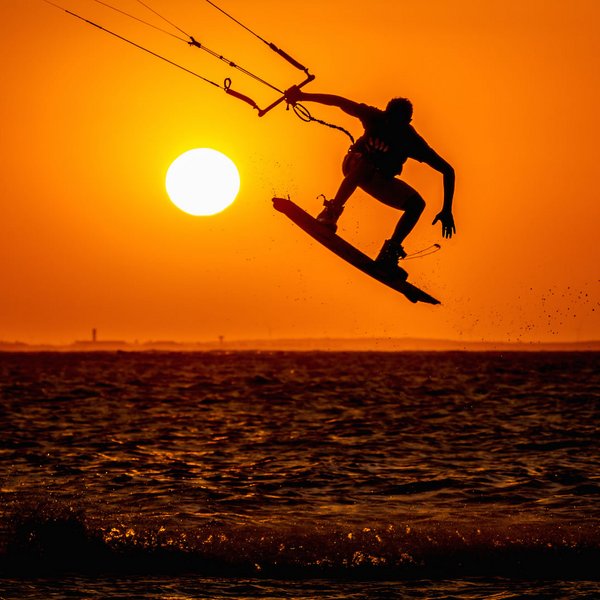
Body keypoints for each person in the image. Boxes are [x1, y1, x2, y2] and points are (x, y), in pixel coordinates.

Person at [284, 87, 455, 273]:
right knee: (367, 162)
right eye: (390, 119)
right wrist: (302, 96)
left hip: (379, 179)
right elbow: (339, 101)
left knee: (416, 204)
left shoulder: (411, 140)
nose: (391, 126)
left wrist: (447, 209)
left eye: (397, 124)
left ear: (407, 123)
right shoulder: (375, 117)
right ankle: (331, 212)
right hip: (354, 165)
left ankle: (389, 253)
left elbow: (448, 170)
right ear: (385, 113)